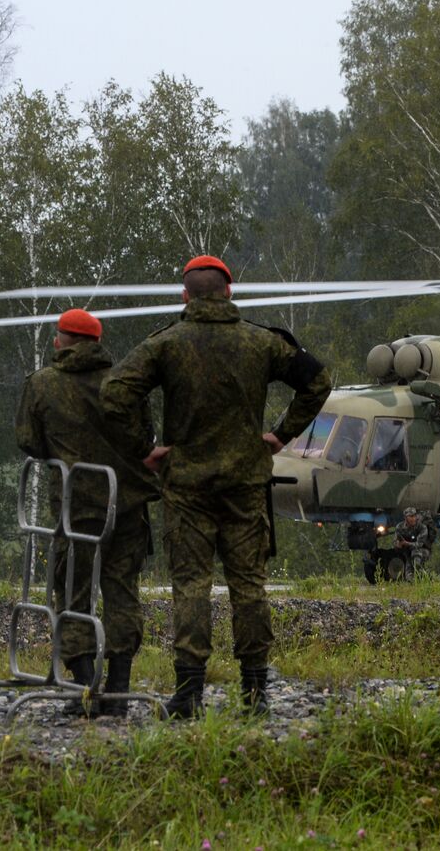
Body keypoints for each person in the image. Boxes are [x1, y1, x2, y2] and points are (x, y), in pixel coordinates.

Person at [101, 256, 332, 718]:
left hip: (187, 486)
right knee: (249, 585)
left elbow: (115, 394)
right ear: (229, 293)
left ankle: (188, 693)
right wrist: (281, 435)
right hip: (246, 484)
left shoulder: (166, 344)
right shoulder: (262, 343)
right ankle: (255, 693)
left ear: (185, 296)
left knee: (190, 585)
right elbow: (319, 380)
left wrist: (144, 448)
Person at [15, 309, 159, 718]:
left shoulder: (42, 384)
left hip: (76, 508)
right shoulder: (125, 383)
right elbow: (144, 438)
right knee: (122, 593)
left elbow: (29, 441)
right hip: (127, 506)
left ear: (62, 340)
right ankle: (118, 691)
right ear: (96, 342)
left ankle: (82, 688)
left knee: (73, 593)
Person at [392, 507, 434, 581]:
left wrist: (406, 543)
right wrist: (398, 544)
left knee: (416, 560)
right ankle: (422, 578)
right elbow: (395, 541)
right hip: (408, 553)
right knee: (409, 577)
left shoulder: (422, 527)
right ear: (406, 518)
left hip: (422, 550)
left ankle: (426, 577)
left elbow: (419, 544)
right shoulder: (400, 527)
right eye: (411, 516)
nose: (413, 518)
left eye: (414, 516)